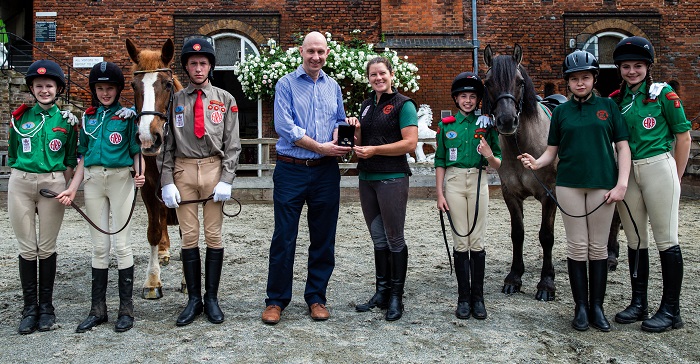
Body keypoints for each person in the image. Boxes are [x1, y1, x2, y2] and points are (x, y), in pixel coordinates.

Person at [519, 50, 631, 332]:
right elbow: (551, 152)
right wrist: (536, 161)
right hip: (568, 185)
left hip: (602, 185)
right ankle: (580, 307)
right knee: (577, 247)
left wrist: (622, 184)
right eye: (574, 79)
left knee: (598, 248)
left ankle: (598, 308)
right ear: (567, 83)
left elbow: (623, 147)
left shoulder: (609, 106)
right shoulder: (561, 113)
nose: (580, 83)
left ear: (594, 78)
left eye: (585, 77)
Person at [261, 31, 352, 325]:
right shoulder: (286, 84)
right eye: (311, 51)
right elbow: (284, 126)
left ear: (327, 54)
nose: (316, 57)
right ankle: (276, 300)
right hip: (291, 169)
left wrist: (342, 133)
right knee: (284, 237)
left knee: (323, 238)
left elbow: (338, 119)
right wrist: (320, 146)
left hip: (325, 171)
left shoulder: (333, 87)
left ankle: (316, 297)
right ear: (301, 52)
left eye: (321, 52)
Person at [610, 36, 691, 332]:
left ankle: (671, 310)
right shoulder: (617, 99)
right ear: (619, 68)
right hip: (628, 173)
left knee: (666, 239)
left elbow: (683, 137)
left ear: (648, 67)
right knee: (635, 239)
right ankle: (639, 302)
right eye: (627, 66)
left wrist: (676, 177)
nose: (632, 71)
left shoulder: (663, 94)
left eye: (638, 66)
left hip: (658, 166)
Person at [58, 61, 145, 333]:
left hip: (120, 178)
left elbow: (135, 149)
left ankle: (126, 309)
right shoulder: (88, 117)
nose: (105, 93)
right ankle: (97, 309)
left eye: (109, 88)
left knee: (122, 244)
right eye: (100, 88)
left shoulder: (127, 117)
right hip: (94, 179)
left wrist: (139, 173)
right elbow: (82, 155)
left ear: (118, 90)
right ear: (94, 90)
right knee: (98, 246)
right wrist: (73, 187)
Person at [160, 38, 241, 326]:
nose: (197, 68)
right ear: (186, 67)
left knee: (214, 235)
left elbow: (232, 144)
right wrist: (166, 180)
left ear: (210, 66)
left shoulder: (224, 99)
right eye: (193, 63)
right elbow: (166, 144)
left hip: (213, 170)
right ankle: (193, 299)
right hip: (183, 170)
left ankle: (211, 298)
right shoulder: (175, 101)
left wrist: (227, 179)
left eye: (202, 63)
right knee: (189, 236)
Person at [8, 60, 78, 334]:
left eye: (49, 85)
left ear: (58, 88)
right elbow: (13, 153)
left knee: (46, 246)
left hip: (53, 182)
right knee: (27, 247)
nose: (44, 90)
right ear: (32, 88)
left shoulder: (67, 121)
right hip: (21, 183)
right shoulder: (20, 117)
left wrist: (65, 184)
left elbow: (70, 157)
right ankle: (29, 309)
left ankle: (47, 307)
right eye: (39, 86)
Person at [347, 56, 418, 321]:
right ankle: (382, 291)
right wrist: (354, 130)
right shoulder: (366, 106)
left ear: (391, 74)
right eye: (373, 75)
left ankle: (397, 297)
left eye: (382, 73)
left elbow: (410, 143)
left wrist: (376, 150)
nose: (378, 78)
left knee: (394, 238)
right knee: (378, 238)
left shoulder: (404, 105)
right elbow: (361, 142)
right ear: (368, 78)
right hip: (367, 178)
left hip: (393, 177)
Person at [434, 72, 501, 320]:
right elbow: (440, 160)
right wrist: (439, 193)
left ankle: (478, 297)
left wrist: (488, 154)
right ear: (456, 98)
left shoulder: (486, 124)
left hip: (478, 179)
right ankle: (463, 297)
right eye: (463, 96)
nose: (468, 101)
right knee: (461, 240)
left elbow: (498, 163)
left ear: (478, 100)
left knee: (478, 240)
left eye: (473, 97)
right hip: (453, 181)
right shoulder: (447, 125)